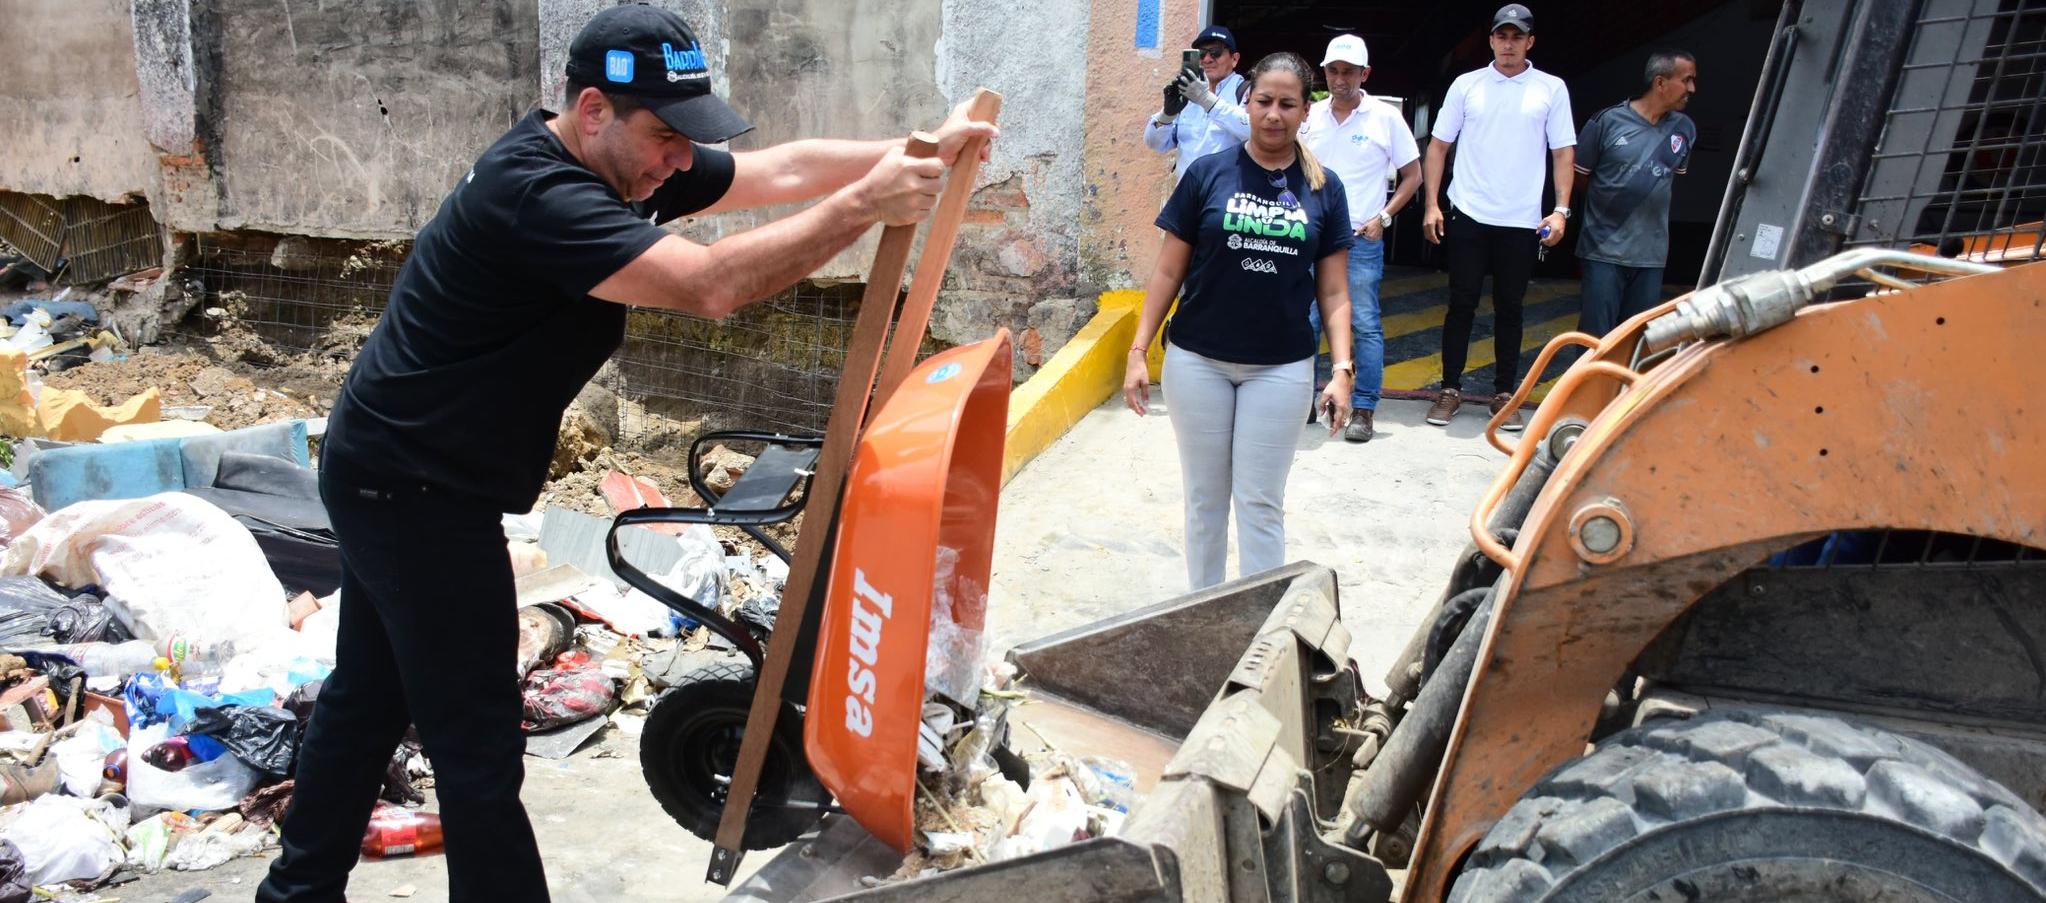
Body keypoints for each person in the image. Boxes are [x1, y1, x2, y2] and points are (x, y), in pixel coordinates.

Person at [254, 7, 995, 902]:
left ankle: (293, 894)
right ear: (595, 110)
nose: (680, 160)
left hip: (392, 462)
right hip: (412, 487)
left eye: (689, 139)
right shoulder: (539, 195)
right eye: (666, 137)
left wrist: (918, 149)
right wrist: (866, 205)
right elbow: (711, 285)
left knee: (368, 699)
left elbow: (779, 169)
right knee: (476, 742)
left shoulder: (622, 163)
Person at [1122, 51, 1355, 590]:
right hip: (1197, 362)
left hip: (1280, 369)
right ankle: (1202, 619)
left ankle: (1259, 632)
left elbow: (1336, 290)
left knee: (1260, 503)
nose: (1274, 114)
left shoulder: (1325, 188)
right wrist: (1139, 351)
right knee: (1204, 501)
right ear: (1246, 103)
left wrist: (1342, 370)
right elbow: (1166, 272)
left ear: (1305, 113)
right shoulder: (1208, 173)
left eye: (1287, 104)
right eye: (1265, 101)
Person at [1421, 3, 1575, 432]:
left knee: (1511, 307)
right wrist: (1432, 204)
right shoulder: (1467, 85)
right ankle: (1449, 390)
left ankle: (1504, 394)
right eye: (1501, 36)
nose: (1508, 44)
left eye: (1516, 37)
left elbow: (1563, 151)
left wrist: (1560, 210)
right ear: (1491, 40)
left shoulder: (1551, 88)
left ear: (1530, 42)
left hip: (1522, 219)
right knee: (1461, 303)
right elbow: (1437, 147)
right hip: (1469, 212)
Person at [1299, 34, 1421, 443]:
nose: (1339, 79)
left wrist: (1383, 218)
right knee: (1308, 320)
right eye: (1333, 70)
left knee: (1365, 324)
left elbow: (1413, 176)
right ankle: (1305, 401)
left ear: (1364, 74)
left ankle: (1364, 407)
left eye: (1348, 71)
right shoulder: (1311, 116)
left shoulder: (1384, 118)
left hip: (1359, 239)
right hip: (1312, 240)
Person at [1572, 49, 1697, 345]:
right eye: (1687, 80)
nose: (1692, 89)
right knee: (1595, 339)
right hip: (1603, 249)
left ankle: (1627, 393)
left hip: (1651, 255)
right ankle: (1588, 392)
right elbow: (1579, 175)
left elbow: (1668, 182)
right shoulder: (1607, 122)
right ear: (1660, 83)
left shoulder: (1685, 129)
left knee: (1637, 341)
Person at [1143, 25, 1253, 184]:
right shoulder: (1188, 94)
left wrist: (1205, 100)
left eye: (1216, 52)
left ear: (1234, 59)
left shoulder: (1247, 91)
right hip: (1187, 196)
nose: (1207, 59)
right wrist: (1166, 115)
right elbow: (1155, 144)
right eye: (1201, 54)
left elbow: (1255, 131)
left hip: (1225, 198)